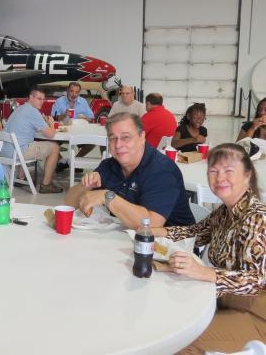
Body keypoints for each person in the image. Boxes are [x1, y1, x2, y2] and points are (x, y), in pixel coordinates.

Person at [151, 143, 266, 354]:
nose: (219, 177)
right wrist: (153, 232)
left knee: (177, 343)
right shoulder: (225, 212)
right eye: (213, 171)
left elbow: (255, 281)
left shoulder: (257, 217)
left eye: (229, 171)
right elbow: (195, 232)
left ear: (247, 176)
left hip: (257, 313)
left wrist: (202, 272)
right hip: (227, 302)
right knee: (161, 321)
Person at [64, 112, 194, 229]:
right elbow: (68, 204)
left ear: (142, 137)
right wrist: (85, 185)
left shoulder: (162, 170)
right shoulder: (109, 165)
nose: (118, 145)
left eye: (126, 137)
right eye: (113, 138)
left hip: (174, 247)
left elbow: (151, 224)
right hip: (128, 237)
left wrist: (107, 197)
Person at [1, 87, 63, 193]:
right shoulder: (33, 112)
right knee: (55, 147)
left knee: (28, 141)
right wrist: (52, 123)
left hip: (3, 150)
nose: (42, 102)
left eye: (43, 99)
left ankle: (21, 177)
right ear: (31, 97)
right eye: (39, 98)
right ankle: (46, 184)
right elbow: (51, 134)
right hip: (17, 152)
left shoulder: (20, 108)